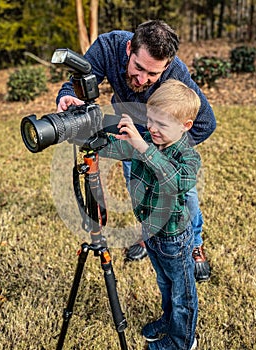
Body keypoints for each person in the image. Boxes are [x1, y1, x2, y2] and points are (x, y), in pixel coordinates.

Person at [56, 19, 215, 282]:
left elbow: (206, 123)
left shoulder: (176, 72)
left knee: (185, 194)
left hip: (162, 141)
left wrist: (167, 150)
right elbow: (77, 83)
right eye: (138, 67)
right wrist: (67, 96)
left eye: (153, 75)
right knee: (138, 188)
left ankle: (195, 244)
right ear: (129, 47)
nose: (142, 79)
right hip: (130, 131)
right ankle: (147, 235)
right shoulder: (108, 46)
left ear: (166, 67)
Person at [98, 79, 200, 349]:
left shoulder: (188, 158)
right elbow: (117, 148)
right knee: (164, 283)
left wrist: (143, 148)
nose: (152, 128)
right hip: (150, 232)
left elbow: (174, 180)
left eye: (162, 124)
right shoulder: (146, 140)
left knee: (183, 293)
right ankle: (169, 321)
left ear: (185, 125)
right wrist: (89, 133)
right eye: (151, 120)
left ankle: (182, 341)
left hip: (174, 238)